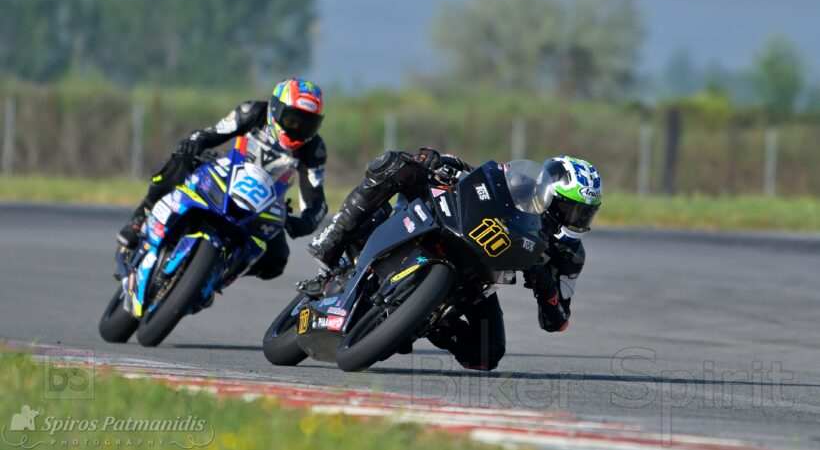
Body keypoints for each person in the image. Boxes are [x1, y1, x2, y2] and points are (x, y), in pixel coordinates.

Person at [306, 148, 602, 371]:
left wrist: (544, 283)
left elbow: (558, 321)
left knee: (487, 354)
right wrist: (442, 161)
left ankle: (423, 321)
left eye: (584, 214)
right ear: (548, 194)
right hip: (453, 225)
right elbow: (484, 176)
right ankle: (332, 239)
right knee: (394, 164)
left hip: (477, 280)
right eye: (569, 209)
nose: (575, 220)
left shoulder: (569, 256)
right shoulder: (523, 184)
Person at [117, 78, 328, 281]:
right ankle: (140, 217)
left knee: (276, 260)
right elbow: (212, 133)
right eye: (292, 120)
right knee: (178, 162)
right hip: (224, 174)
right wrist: (193, 143)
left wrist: (304, 223)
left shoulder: (314, 150)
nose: (297, 129)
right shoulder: (253, 112)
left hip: (263, 203)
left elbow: (316, 201)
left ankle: (215, 275)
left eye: (307, 125)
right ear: (275, 109)